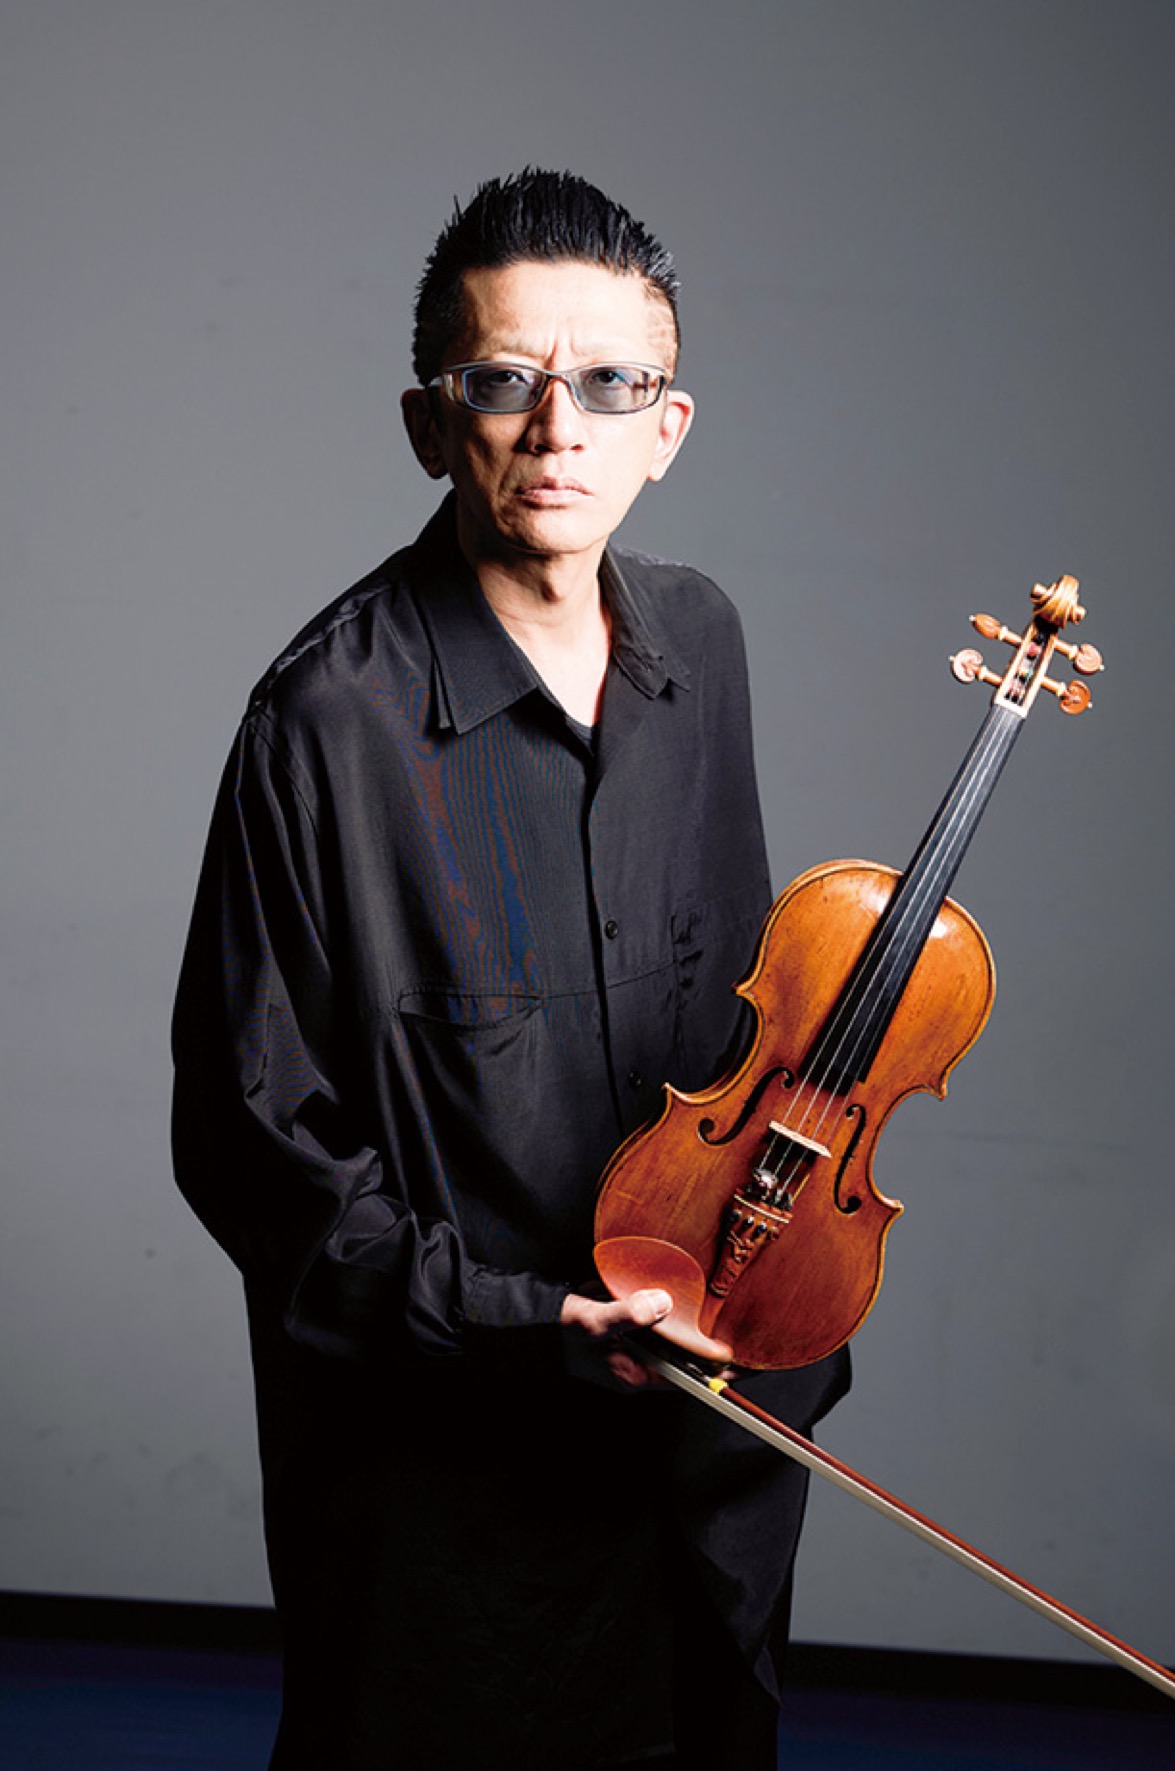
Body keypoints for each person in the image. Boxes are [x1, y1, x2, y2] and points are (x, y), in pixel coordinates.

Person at [172, 168, 850, 1771]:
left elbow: (743, 1045)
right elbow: (254, 1152)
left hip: (705, 1457)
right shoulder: (321, 722)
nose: (560, 428)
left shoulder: (703, 649)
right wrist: (528, 1321)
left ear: (667, 428)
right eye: (503, 382)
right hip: (448, 1507)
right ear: (431, 425)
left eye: (610, 384)